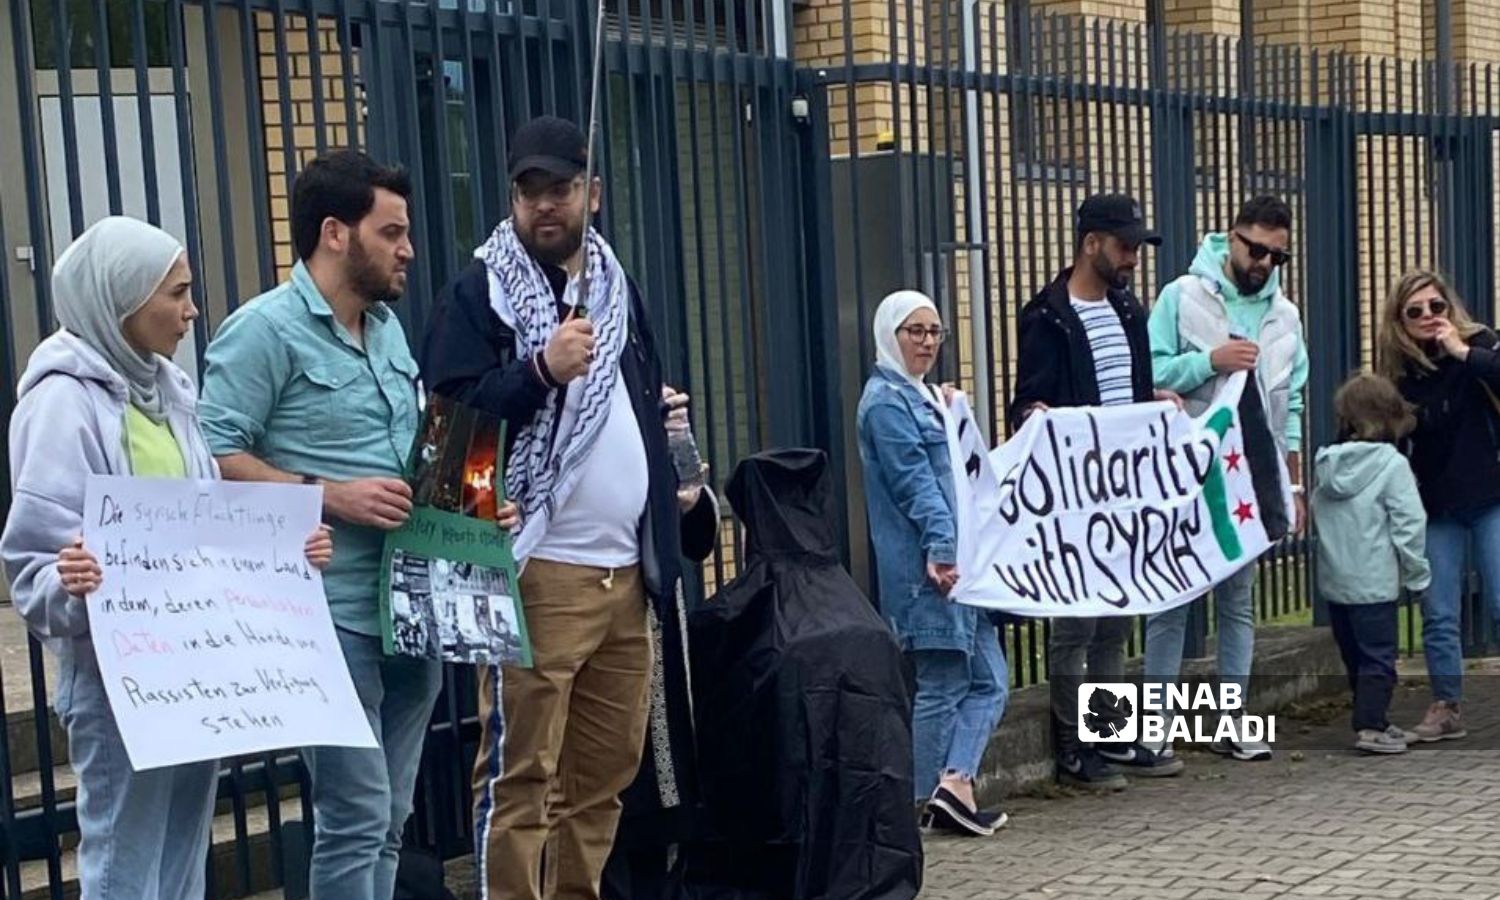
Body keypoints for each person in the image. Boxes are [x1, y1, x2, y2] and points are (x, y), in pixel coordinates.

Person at [198, 151, 517, 899]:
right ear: (336, 233)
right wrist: (327, 496)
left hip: (414, 604)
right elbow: (210, 459)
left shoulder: (387, 332)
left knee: (391, 814)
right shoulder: (263, 333)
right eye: (393, 231)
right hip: (324, 611)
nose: (408, 249)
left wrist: (476, 506)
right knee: (356, 811)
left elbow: (418, 453)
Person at [418, 115, 718, 900]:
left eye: (561, 189)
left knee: (604, 775)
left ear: (595, 195)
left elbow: (643, 401)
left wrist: (666, 453)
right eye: (530, 191)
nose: (546, 206)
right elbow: (449, 426)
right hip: (540, 572)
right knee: (523, 777)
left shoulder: (617, 289)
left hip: (625, 575)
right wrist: (541, 370)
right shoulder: (479, 291)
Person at [0, 216, 332, 899]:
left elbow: (207, 524)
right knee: (124, 865)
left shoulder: (170, 393)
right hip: (116, 680)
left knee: (181, 860)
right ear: (123, 299)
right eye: (176, 294)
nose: (191, 310)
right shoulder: (62, 402)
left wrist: (287, 551)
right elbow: (34, 561)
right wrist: (70, 582)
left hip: (185, 672)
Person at [1010, 194, 1184, 789]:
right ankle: (1073, 751)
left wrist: (1152, 403)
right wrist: (1036, 414)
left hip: (1125, 493)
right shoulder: (1047, 318)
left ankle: (1110, 738)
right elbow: (1025, 403)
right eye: (1125, 246)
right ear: (1091, 244)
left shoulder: (1131, 312)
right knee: (1076, 626)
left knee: (1116, 620)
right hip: (1076, 500)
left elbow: (1132, 391)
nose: (1133, 258)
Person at [1144, 194, 1309, 763]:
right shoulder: (1181, 296)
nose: (1263, 262)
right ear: (1230, 237)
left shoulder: (1285, 317)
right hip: (1186, 470)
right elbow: (1151, 369)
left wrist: (1291, 483)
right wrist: (1210, 361)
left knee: (1239, 601)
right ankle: (1152, 726)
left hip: (1249, 473)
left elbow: (1290, 404)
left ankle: (1231, 720)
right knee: (1173, 597)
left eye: (1276, 256)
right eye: (1255, 249)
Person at [856, 289, 1008, 837]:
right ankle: (918, 807)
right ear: (889, 335)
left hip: (965, 568)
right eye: (913, 331)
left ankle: (955, 785)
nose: (925, 342)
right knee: (942, 684)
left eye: (934, 332)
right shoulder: (885, 404)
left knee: (991, 680)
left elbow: (964, 478)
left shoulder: (924, 398)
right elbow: (918, 488)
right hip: (932, 572)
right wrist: (942, 552)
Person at [1376, 269, 1500, 742]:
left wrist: (1463, 353)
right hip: (1437, 504)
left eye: (1436, 306)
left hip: (1491, 493)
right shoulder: (1399, 374)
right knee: (1439, 610)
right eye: (1416, 311)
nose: (1429, 317)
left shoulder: (1481, 345)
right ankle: (1446, 704)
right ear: (1400, 322)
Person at [1312, 373, 1430, 755]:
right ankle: (1370, 725)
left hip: (1336, 579)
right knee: (1380, 656)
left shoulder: (1326, 463)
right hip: (1375, 579)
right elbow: (1409, 522)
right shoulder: (1390, 464)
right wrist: (1416, 571)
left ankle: (1372, 718)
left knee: (1354, 654)